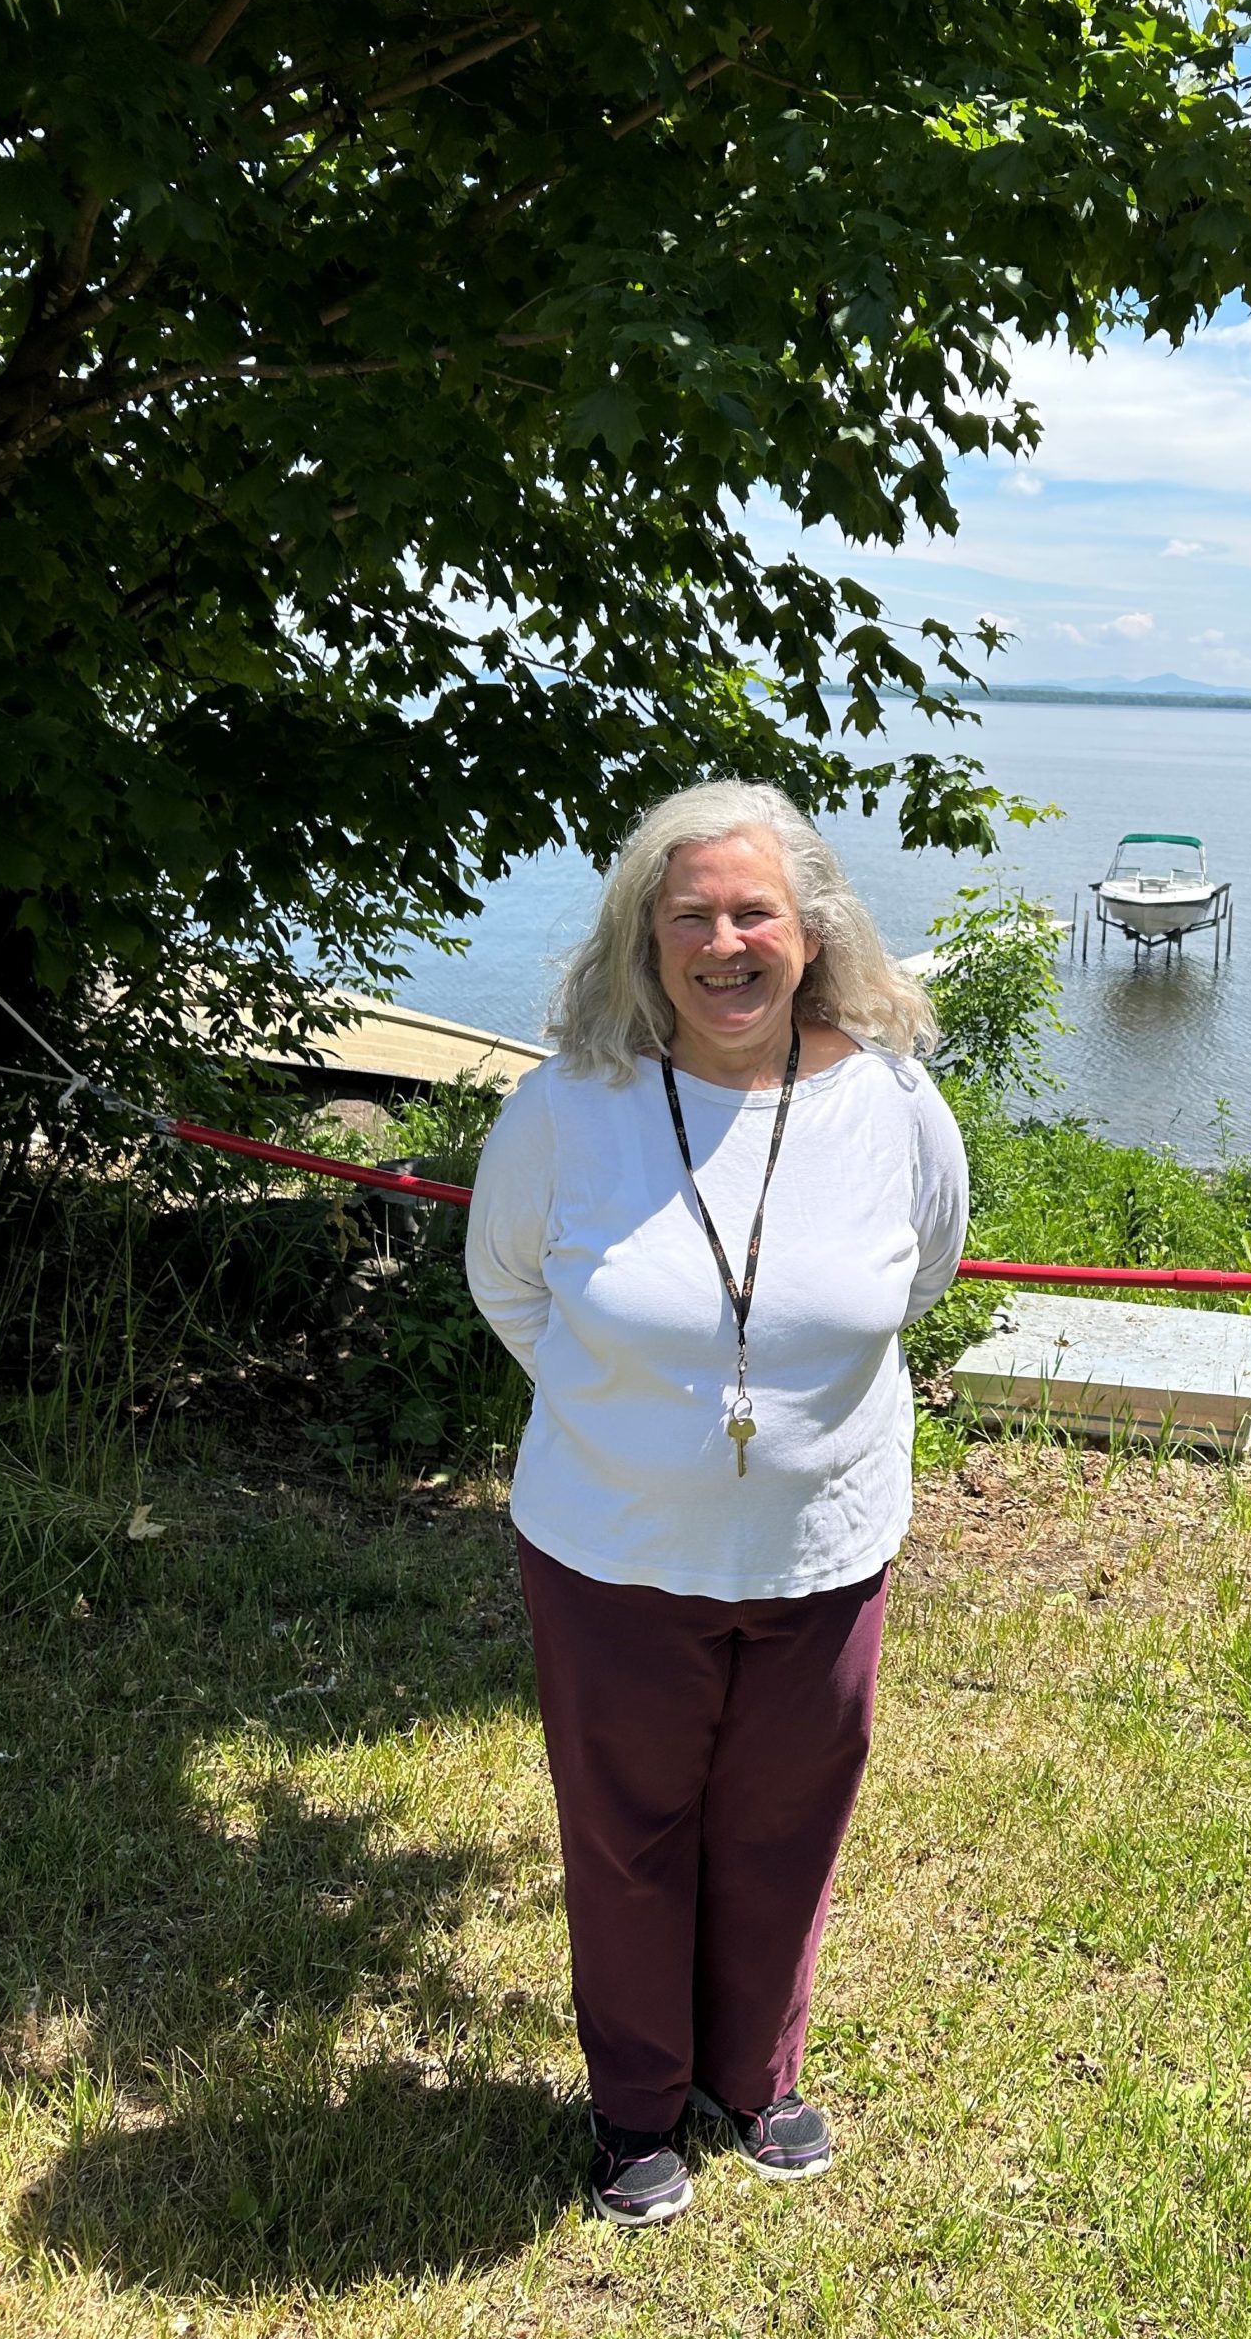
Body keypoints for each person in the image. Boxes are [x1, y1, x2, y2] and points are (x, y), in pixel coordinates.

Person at [464, 779, 969, 2229]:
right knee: (627, 1831)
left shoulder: (894, 1104)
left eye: (756, 911)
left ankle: (754, 2076)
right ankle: (635, 2104)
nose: (726, 943)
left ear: (813, 932)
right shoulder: (570, 1108)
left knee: (784, 1820)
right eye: (691, 915)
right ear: (644, 938)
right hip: (612, 1550)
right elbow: (507, 1283)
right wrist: (632, 1416)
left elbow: (920, 1272)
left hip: (827, 1543)